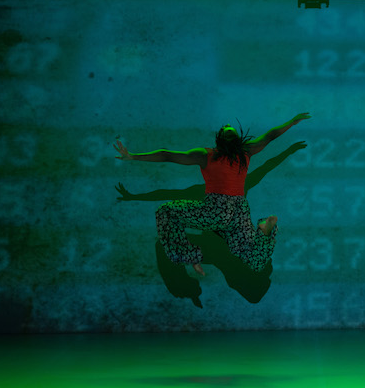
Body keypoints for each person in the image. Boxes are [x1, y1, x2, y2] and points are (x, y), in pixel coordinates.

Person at [114, 113, 311, 276]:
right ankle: (264, 231)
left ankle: (189, 257)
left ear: (219, 138)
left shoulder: (207, 155)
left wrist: (133, 156)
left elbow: (168, 155)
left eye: (226, 127)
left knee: (166, 211)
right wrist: (292, 123)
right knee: (252, 259)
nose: (226, 124)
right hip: (239, 210)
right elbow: (270, 136)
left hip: (216, 210)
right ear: (236, 139)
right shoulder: (245, 152)